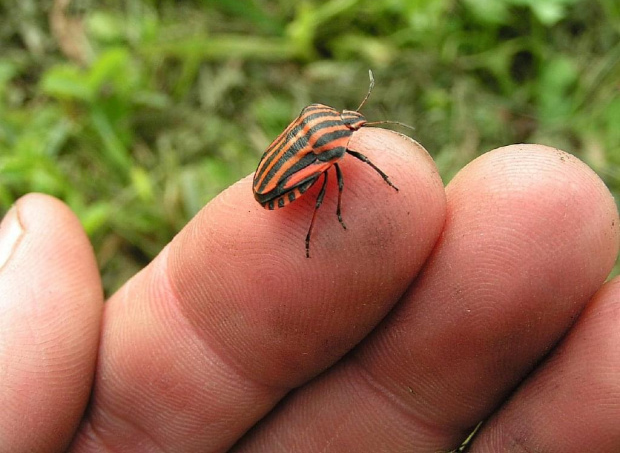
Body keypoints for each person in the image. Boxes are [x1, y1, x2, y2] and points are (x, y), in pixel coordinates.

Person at [1, 128, 619, 452]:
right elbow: (346, 177)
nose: (355, 130)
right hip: (278, 189)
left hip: (276, 179)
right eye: (351, 126)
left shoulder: (324, 138)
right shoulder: (333, 154)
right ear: (331, 135)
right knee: (341, 190)